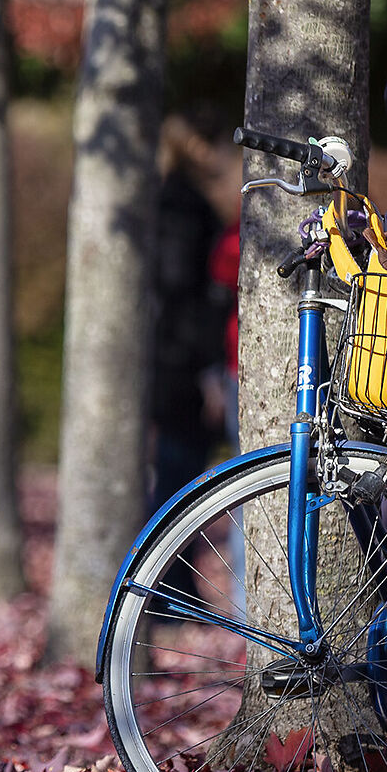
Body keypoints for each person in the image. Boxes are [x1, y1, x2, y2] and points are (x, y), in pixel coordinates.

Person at [148, 118, 225, 511]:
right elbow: (183, 294)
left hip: (176, 362)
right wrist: (208, 370)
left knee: (178, 484)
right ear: (196, 146)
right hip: (183, 367)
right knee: (178, 490)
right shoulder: (183, 208)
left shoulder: (175, 201)